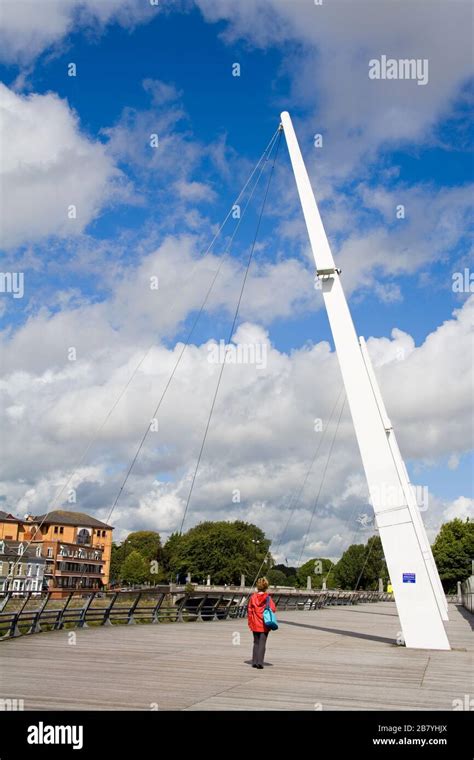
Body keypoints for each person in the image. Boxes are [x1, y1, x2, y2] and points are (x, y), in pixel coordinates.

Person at [247, 577, 276, 669]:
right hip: (264, 623)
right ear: (266, 587)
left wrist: (250, 621)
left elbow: (249, 610)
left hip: (254, 622)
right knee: (262, 643)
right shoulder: (268, 598)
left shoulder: (253, 597)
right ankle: (260, 662)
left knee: (256, 642)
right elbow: (273, 609)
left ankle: (254, 661)